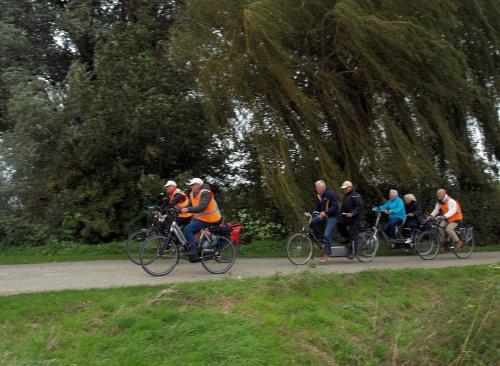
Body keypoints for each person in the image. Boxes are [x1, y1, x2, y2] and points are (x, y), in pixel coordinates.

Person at [181, 178, 222, 258]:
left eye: (193, 185)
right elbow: (189, 206)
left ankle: (194, 251)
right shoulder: (192, 194)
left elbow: (202, 207)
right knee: (189, 231)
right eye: (190, 185)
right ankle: (198, 250)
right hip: (203, 218)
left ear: (198, 185)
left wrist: (188, 209)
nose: (191, 186)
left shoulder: (205, 193)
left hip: (211, 218)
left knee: (188, 229)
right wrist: (178, 210)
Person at [309, 180, 340, 262]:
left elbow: (335, 206)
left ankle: (327, 253)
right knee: (312, 222)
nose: (316, 189)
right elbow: (319, 206)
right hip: (325, 215)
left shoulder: (330, 194)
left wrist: (326, 212)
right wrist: (311, 213)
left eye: (317, 188)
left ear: (323, 187)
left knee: (327, 233)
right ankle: (321, 238)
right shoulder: (321, 195)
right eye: (316, 188)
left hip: (333, 216)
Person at [337, 181, 364, 258]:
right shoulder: (346, 196)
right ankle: (348, 238)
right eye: (344, 188)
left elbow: (359, 206)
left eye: (345, 188)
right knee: (339, 223)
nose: (344, 189)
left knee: (353, 233)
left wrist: (352, 213)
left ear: (350, 187)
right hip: (347, 217)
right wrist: (339, 214)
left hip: (356, 218)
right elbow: (343, 207)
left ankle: (354, 253)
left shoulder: (356, 195)